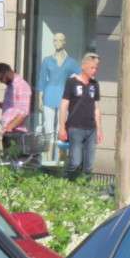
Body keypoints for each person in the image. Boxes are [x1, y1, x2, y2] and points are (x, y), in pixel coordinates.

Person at [36, 32, 79, 164]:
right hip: (49, 95)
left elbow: (81, 75)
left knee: (61, 127)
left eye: (60, 40)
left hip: (64, 97)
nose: (58, 43)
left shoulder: (70, 61)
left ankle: (59, 158)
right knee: (49, 128)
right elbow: (42, 80)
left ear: (64, 42)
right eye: (55, 40)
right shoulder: (47, 60)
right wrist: (40, 98)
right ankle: (49, 159)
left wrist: (75, 90)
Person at [57, 52, 101, 180]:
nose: (94, 71)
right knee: (75, 162)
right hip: (76, 127)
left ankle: (84, 189)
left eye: (96, 68)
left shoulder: (95, 84)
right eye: (92, 67)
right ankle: (65, 181)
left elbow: (96, 108)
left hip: (91, 128)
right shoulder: (71, 82)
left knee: (88, 166)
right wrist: (62, 128)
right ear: (83, 66)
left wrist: (99, 129)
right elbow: (64, 105)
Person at [0, 63, 31, 161]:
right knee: (8, 161)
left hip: (16, 132)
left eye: (0, 78)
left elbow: (24, 111)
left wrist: (10, 127)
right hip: (8, 131)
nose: (0, 82)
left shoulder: (22, 86)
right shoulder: (10, 86)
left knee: (15, 161)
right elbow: (13, 108)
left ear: (7, 73)